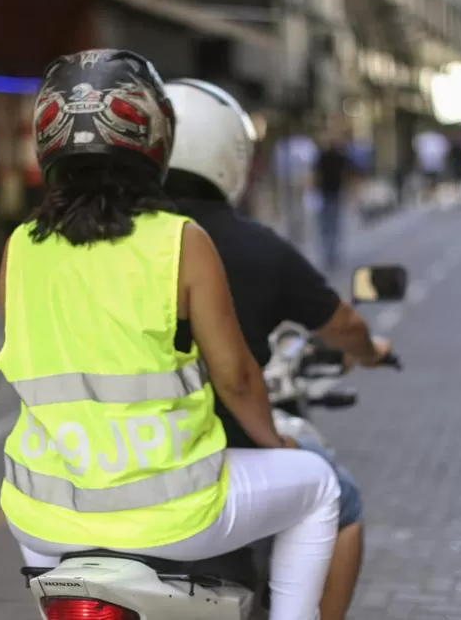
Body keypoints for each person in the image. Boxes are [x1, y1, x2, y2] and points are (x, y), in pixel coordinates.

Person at [0, 50, 340, 620]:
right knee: (320, 486)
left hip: (40, 516)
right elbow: (234, 374)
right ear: (155, 139)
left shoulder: (19, 247)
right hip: (174, 514)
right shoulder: (181, 240)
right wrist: (275, 443)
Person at [163, 79, 393, 620]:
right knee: (340, 497)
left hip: (98, 472)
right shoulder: (244, 244)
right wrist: (369, 352)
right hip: (218, 458)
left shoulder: (111, 242)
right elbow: (244, 373)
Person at [314, 129, 352, 271]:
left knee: (328, 224)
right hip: (330, 193)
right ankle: (331, 252)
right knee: (332, 224)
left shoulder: (326, 156)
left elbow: (317, 175)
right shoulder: (333, 156)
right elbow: (345, 175)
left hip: (328, 192)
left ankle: (330, 252)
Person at [413, 129, 449, 205]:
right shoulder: (425, 138)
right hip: (429, 164)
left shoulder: (432, 138)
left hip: (433, 164)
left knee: (431, 180)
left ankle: (430, 194)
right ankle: (429, 194)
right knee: (429, 180)